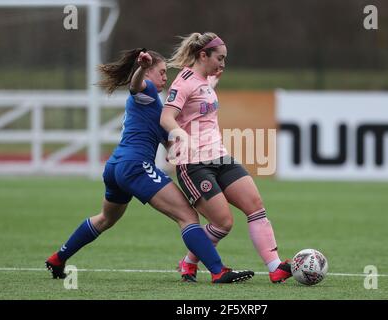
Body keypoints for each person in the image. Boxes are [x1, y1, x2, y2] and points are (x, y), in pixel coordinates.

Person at [45, 48, 254, 284]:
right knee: (187, 216)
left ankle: (57, 258)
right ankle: (218, 271)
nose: (166, 78)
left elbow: (167, 141)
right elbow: (136, 86)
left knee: (105, 218)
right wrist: (142, 69)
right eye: (162, 72)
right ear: (148, 74)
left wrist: (176, 149)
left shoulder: (159, 106)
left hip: (116, 166)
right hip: (136, 166)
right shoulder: (149, 92)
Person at [160, 32, 292, 283]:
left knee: (255, 206)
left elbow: (200, 104)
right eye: (220, 58)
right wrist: (179, 134)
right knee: (223, 223)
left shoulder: (203, 82)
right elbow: (166, 117)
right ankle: (189, 262)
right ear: (203, 55)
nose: (223, 64)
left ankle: (275, 267)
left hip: (220, 157)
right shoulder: (183, 81)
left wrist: (212, 85)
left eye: (224, 59)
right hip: (193, 163)